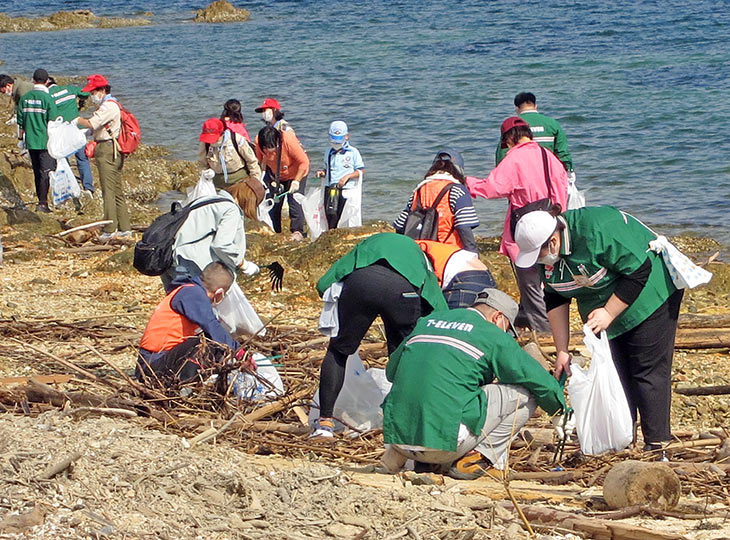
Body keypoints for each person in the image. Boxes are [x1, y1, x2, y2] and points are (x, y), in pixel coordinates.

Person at [513, 207, 683, 451]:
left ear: (553, 241)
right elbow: (554, 297)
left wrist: (609, 312)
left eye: (538, 254)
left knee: (646, 370)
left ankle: (657, 445)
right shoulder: (548, 255)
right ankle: (625, 439)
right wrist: (562, 350)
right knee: (615, 369)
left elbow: (639, 271)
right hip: (603, 305)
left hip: (650, 293)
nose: (538, 261)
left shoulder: (596, 231)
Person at [380, 287, 566, 478]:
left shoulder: (427, 322)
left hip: (397, 439)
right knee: (525, 394)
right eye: (508, 329)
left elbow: (391, 371)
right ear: (497, 317)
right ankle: (476, 459)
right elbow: (537, 379)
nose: (507, 335)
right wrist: (559, 411)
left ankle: (401, 459)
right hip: (443, 446)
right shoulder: (491, 333)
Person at [313, 232, 448, 437]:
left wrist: (328, 293)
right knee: (404, 357)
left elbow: (327, 281)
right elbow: (435, 301)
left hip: (361, 285)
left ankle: (325, 424)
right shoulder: (420, 256)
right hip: (402, 292)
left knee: (339, 351)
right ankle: (401, 425)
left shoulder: (367, 244)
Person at [466, 117, 568, 332]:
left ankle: (543, 331)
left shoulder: (514, 159)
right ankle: (555, 326)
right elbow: (562, 192)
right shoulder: (548, 156)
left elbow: (492, 189)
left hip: (526, 230)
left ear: (509, 138)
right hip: (554, 226)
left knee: (530, 284)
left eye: (506, 143)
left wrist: (466, 182)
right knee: (551, 283)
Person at [136, 261, 244, 384]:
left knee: (211, 342)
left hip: (157, 360)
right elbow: (211, 325)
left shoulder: (188, 291)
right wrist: (239, 352)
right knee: (208, 345)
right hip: (152, 365)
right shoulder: (193, 294)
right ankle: (184, 387)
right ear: (220, 292)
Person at [161, 189, 257, 293]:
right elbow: (222, 245)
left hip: (167, 256)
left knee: (175, 303)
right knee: (196, 303)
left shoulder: (210, 200)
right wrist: (243, 264)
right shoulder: (231, 210)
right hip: (187, 262)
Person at [76, 74, 130, 239]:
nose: (92, 96)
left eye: (93, 92)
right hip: (113, 148)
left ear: (101, 90)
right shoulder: (114, 105)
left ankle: (110, 228)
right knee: (116, 189)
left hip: (107, 149)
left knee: (108, 190)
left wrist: (76, 119)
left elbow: (93, 123)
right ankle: (124, 227)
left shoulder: (108, 106)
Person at [393, 149, 479, 252]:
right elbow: (464, 226)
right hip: (448, 251)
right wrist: (473, 253)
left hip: (419, 249)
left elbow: (400, 224)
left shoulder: (420, 189)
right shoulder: (457, 190)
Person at [255, 125, 310, 240]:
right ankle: (274, 230)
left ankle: (297, 231)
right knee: (273, 202)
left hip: (295, 172)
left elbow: (304, 162)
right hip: (275, 175)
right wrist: (262, 176)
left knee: (294, 202)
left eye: (272, 147)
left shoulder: (288, 140)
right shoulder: (258, 142)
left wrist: (296, 181)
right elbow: (260, 160)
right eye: (267, 148)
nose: (270, 150)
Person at [495, 92, 573, 172]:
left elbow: (503, 153)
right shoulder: (552, 123)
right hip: (549, 172)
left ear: (517, 108)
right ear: (535, 106)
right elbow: (562, 152)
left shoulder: (513, 125)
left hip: (522, 172)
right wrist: (568, 170)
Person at [16, 68, 58, 213]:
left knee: (36, 172)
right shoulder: (48, 99)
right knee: (46, 172)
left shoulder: (24, 98)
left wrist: (20, 139)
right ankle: (43, 203)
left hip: (31, 141)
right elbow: (54, 120)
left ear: (33, 80)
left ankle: (41, 201)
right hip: (45, 140)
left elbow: (20, 121)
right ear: (47, 82)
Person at [47, 77, 94, 195]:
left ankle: (70, 186)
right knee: (82, 159)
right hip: (76, 129)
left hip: (62, 132)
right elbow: (85, 93)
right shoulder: (70, 89)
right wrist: (81, 101)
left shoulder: (48, 95)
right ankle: (88, 188)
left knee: (64, 159)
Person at [415, 239, 497, 309]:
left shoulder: (407, 250)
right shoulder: (415, 245)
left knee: (450, 323)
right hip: (484, 274)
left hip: (462, 278)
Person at [314, 121, 365, 230]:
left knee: (345, 216)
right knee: (331, 215)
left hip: (347, 189)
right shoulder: (328, 152)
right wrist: (322, 173)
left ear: (347, 136)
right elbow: (327, 168)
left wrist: (348, 176)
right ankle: (331, 235)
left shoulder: (353, 152)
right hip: (331, 188)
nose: (336, 143)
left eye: (339, 140)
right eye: (334, 140)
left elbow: (360, 171)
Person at [197, 118, 261, 191]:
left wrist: (254, 182)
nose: (211, 141)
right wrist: (205, 174)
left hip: (240, 182)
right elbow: (201, 164)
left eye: (214, 138)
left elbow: (252, 161)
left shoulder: (236, 140)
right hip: (217, 185)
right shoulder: (205, 144)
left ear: (222, 133)